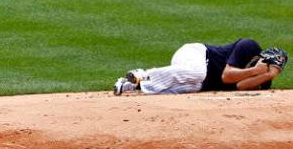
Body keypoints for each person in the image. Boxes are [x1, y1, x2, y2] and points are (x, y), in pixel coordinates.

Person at [114, 38, 286, 95]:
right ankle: (144, 75)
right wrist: (256, 70)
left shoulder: (265, 78)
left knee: (176, 90)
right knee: (198, 72)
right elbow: (227, 77)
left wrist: (267, 76)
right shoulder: (249, 46)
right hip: (196, 55)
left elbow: (240, 87)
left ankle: (132, 85)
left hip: (201, 81)